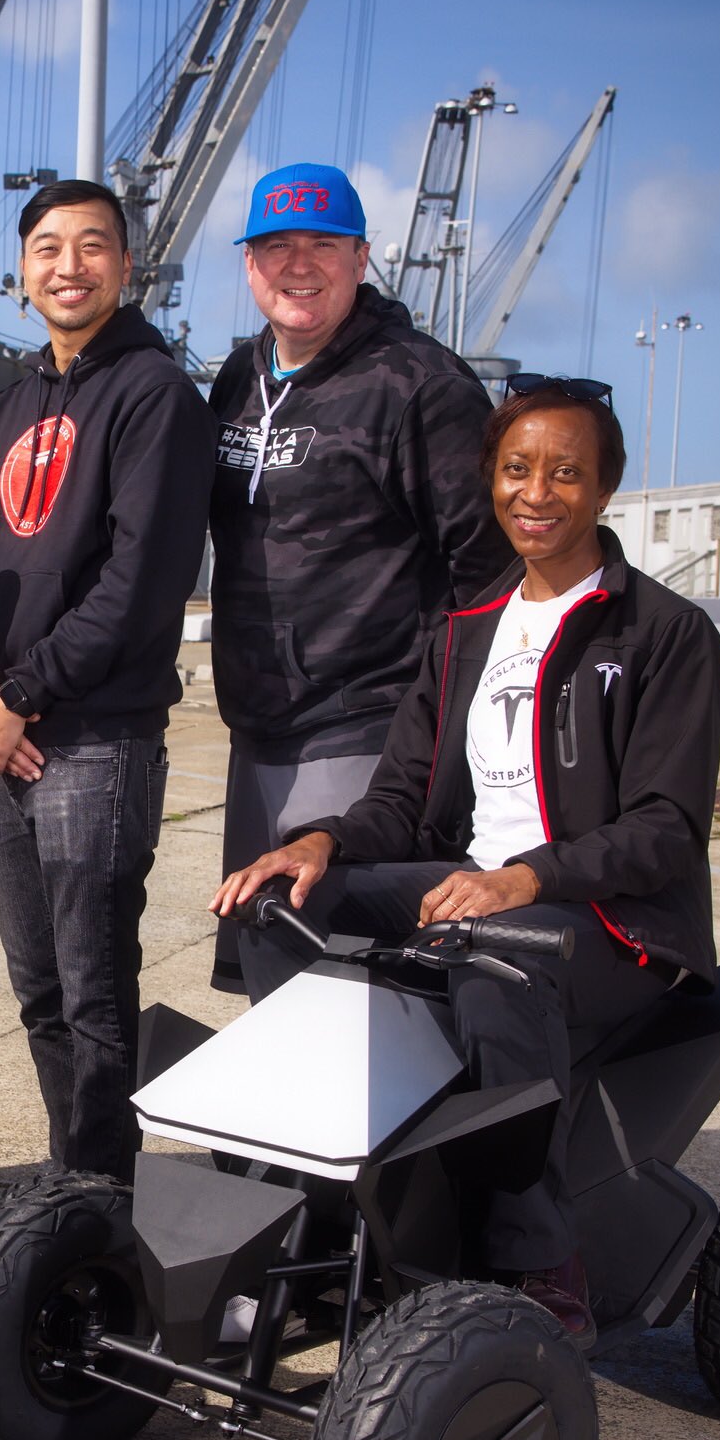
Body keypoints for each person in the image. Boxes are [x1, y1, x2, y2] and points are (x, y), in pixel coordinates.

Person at [214, 378, 720, 1342]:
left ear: (606, 486)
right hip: (469, 889)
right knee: (280, 916)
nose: (538, 492)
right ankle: (337, 1202)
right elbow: (402, 798)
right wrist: (319, 843)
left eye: (565, 472)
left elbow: (664, 829)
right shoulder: (464, 631)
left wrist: (526, 878)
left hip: (611, 919)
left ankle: (541, 1264)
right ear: (491, 480)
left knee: (497, 966)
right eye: (517, 469)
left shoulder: (664, 634)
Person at [0, 180, 214, 1181]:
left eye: (91, 245)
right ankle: (71, 1179)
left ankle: (104, 1194)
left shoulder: (155, 397)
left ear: (126, 265)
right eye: (47, 246)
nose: (68, 264)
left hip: (95, 738)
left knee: (95, 992)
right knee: (38, 992)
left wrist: (22, 691)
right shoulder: (3, 406)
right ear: (21, 273)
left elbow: (139, 582)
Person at [206, 162, 508, 991]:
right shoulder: (239, 376)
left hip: (366, 726)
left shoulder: (423, 387)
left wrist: (442, 744)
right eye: (276, 245)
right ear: (249, 264)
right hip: (259, 728)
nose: (298, 264)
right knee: (273, 973)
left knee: (351, 986)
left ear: (362, 256)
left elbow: (487, 579)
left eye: (323, 244)